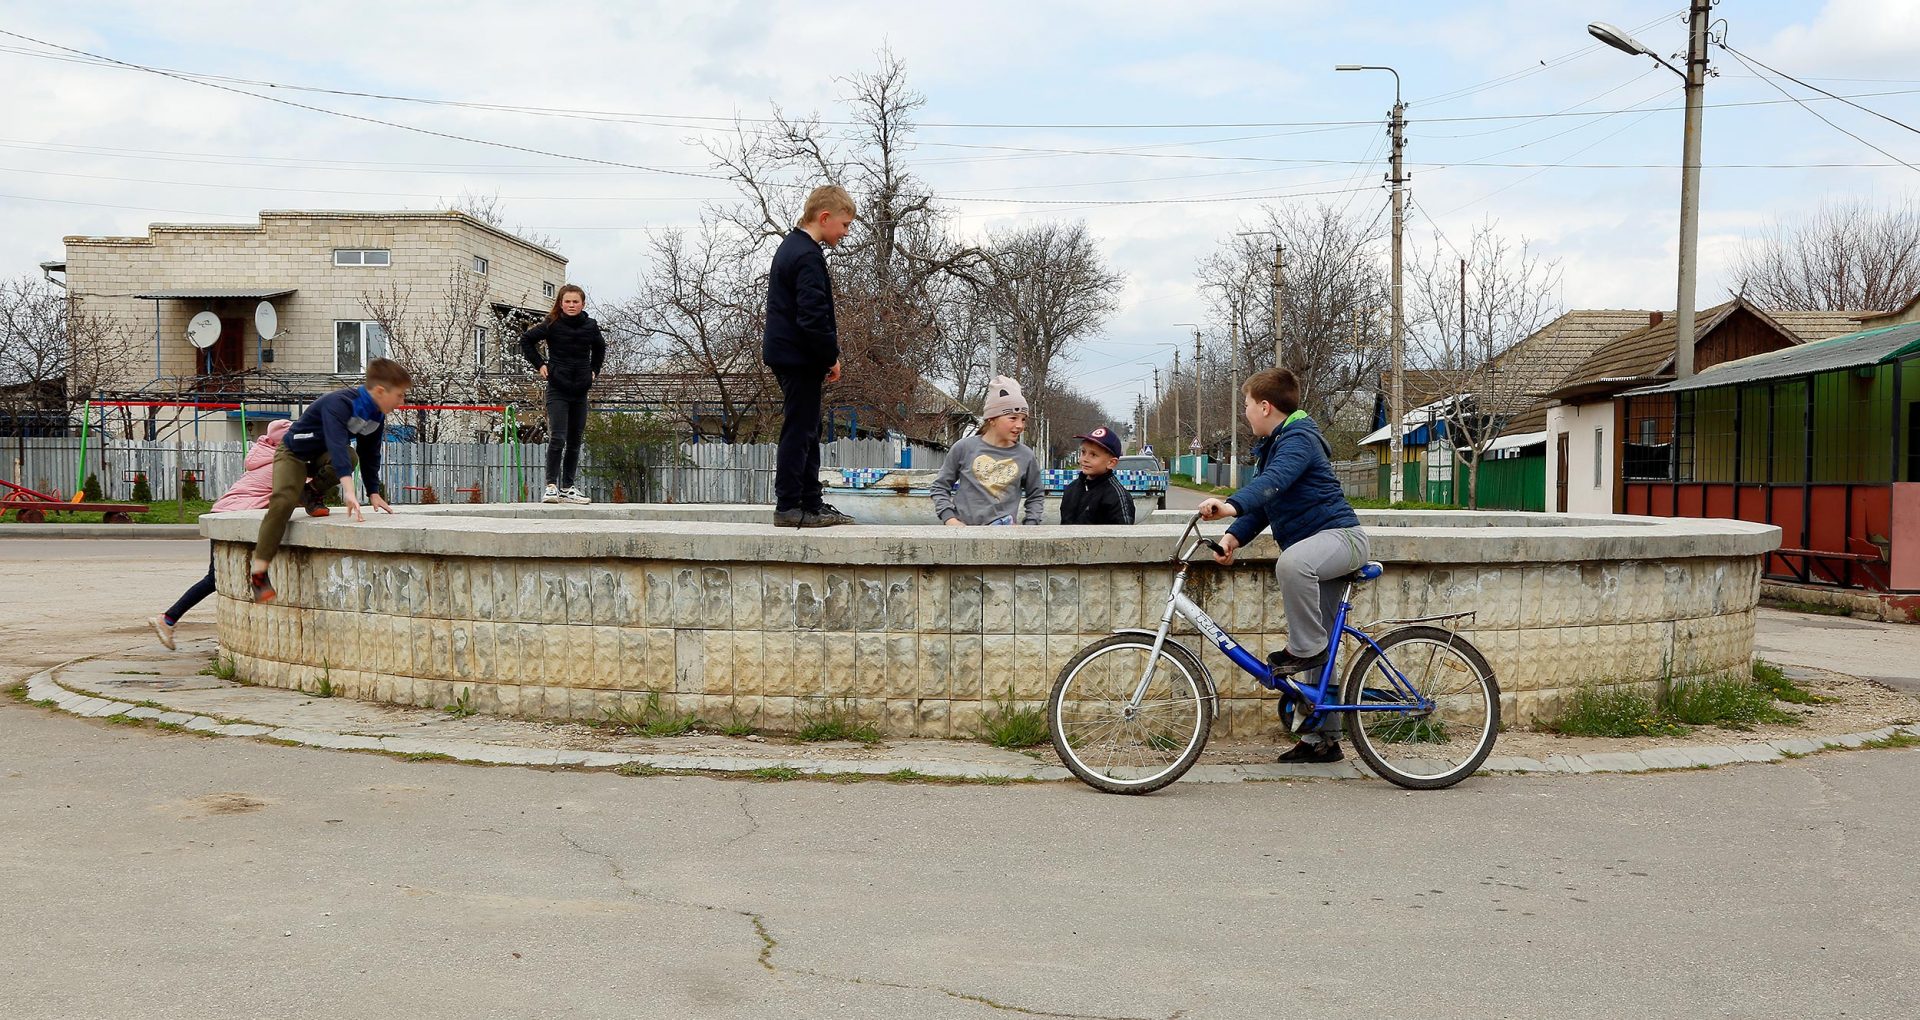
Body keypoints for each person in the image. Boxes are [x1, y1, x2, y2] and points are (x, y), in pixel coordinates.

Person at [1197, 368, 1369, 765]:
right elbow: (1267, 505)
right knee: (1321, 654)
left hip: (1342, 539)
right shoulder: (1276, 444)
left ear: (1264, 405)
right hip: (1320, 547)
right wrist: (1232, 537)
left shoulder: (1299, 439)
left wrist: (1230, 504)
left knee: (1292, 567)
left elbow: (1273, 482)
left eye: (1246, 406)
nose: (1245, 413)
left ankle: (1304, 649)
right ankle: (1322, 742)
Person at [248, 358, 412, 602]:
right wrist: (348, 490)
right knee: (283, 502)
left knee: (351, 455)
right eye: (399, 395)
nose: (402, 402)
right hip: (294, 453)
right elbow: (336, 443)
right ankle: (259, 573)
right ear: (380, 391)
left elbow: (370, 454)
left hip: (320, 456)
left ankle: (311, 492)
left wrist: (373, 492)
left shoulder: (375, 417)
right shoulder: (339, 403)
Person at [148, 419, 320, 649]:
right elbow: (303, 493)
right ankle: (169, 619)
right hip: (234, 516)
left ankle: (192, 626)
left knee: (229, 578)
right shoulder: (279, 466)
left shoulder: (265, 456)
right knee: (220, 578)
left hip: (229, 513)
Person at [763, 184, 857, 528]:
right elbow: (812, 316)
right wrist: (830, 356)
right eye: (844, 225)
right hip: (797, 356)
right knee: (799, 429)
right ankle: (790, 505)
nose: (845, 233)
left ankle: (810, 502)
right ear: (825, 217)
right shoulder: (806, 255)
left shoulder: (795, 247)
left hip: (793, 354)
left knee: (806, 427)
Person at [519, 283, 604, 505]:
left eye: (575, 301)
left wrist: (594, 370)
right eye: (567, 301)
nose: (571, 305)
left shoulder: (591, 326)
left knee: (575, 441)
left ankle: (567, 487)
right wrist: (540, 364)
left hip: (580, 391)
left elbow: (600, 348)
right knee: (558, 438)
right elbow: (526, 340)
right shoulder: (552, 324)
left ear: (583, 304)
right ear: (560, 303)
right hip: (558, 388)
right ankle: (551, 486)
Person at [932, 376, 1045, 527]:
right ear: (992, 419)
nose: (1020, 425)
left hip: (1005, 539)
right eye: (1013, 418)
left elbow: (1036, 495)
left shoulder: (1026, 456)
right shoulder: (964, 448)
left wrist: (1030, 525)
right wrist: (950, 520)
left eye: (1023, 419)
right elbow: (939, 487)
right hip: (964, 537)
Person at [1059, 424, 1135, 526]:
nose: (1085, 459)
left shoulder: (1117, 496)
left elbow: (1122, 537)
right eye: (1083, 452)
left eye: (1093, 455)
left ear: (1111, 463)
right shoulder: (1072, 489)